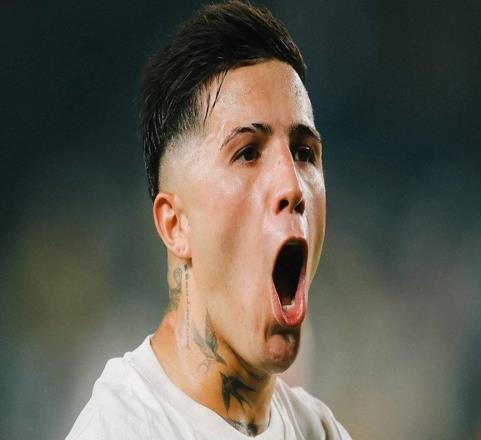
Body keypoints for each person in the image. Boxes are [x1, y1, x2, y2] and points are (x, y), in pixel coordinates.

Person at [66, 1, 351, 438]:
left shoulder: (319, 429)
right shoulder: (122, 429)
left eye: (303, 152)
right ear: (175, 225)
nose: (292, 187)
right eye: (248, 153)